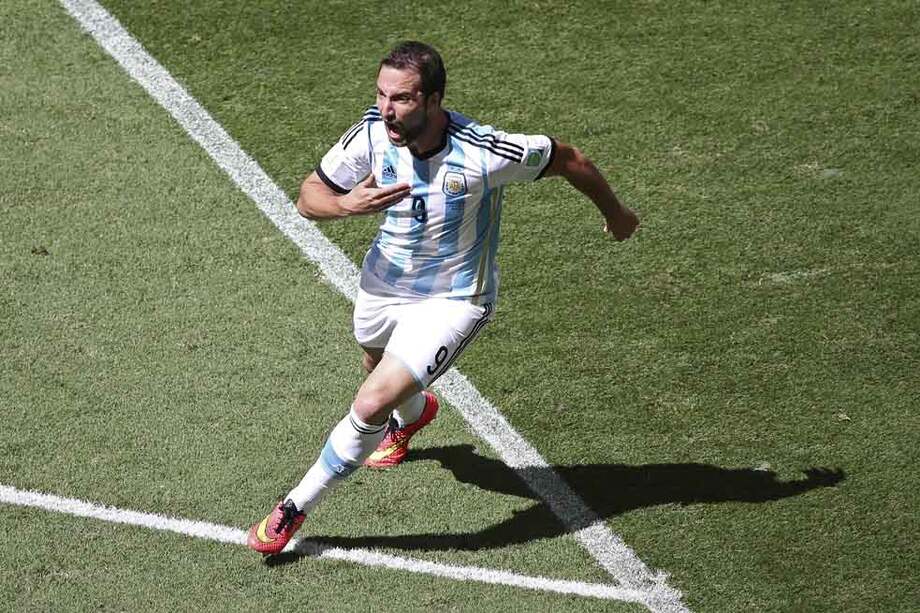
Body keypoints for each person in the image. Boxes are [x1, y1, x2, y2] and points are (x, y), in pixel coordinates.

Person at [247, 41, 639, 555]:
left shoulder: (484, 151)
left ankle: (293, 507)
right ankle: (415, 417)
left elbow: (569, 159)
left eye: (403, 99)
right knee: (374, 364)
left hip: (455, 298)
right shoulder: (370, 132)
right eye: (382, 95)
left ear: (433, 101)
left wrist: (615, 213)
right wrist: (345, 205)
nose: (387, 109)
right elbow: (307, 197)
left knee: (370, 402)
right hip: (383, 283)